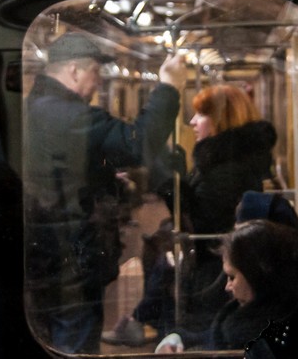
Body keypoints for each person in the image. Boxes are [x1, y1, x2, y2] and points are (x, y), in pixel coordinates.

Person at [23, 32, 187, 354]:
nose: (98, 83)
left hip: (43, 257)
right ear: (74, 70)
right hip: (71, 261)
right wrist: (168, 87)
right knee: (76, 345)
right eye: (96, 73)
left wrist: (101, 176)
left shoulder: (33, 110)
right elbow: (137, 143)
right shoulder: (71, 116)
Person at [104, 85, 277, 344]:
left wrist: (167, 183)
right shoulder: (224, 158)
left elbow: (202, 221)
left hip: (215, 270)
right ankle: (146, 322)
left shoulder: (228, 167)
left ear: (221, 120)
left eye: (201, 115)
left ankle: (156, 329)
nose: (192, 121)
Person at [154, 219, 298, 353]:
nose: (227, 287)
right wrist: (176, 338)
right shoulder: (234, 320)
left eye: (232, 277)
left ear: (257, 276)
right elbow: (204, 336)